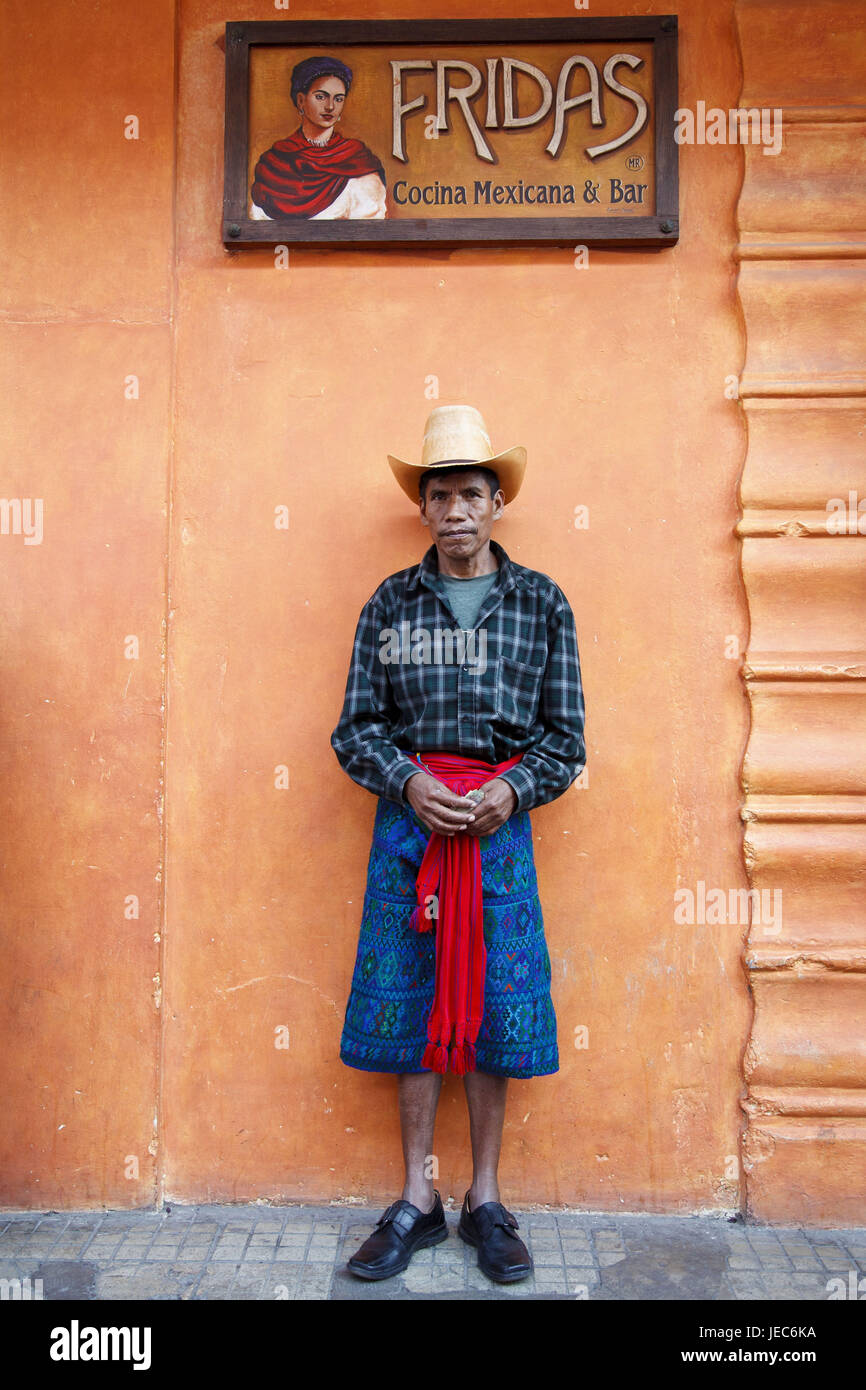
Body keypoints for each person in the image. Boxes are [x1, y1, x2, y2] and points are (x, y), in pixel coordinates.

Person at [330, 404, 587, 1284]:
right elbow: (355, 729)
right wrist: (408, 781)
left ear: (497, 501)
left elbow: (566, 739)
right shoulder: (389, 604)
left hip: (499, 835)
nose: (456, 511)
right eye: (439, 495)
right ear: (425, 507)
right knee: (407, 1006)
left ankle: (484, 1199)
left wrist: (511, 790)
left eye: (472, 493)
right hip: (412, 828)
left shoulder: (543, 602)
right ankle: (415, 1200)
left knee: (494, 1008)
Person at [250, 55, 386, 221]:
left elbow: (369, 231)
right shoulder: (275, 162)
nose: (330, 106)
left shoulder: (356, 161)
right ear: (301, 100)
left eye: (338, 99)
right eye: (321, 97)